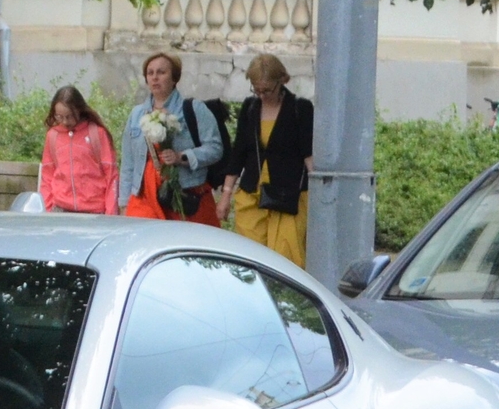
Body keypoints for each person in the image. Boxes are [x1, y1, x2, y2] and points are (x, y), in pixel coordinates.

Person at [217, 53, 315, 268]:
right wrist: (225, 196)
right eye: (256, 89)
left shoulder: (301, 108)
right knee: (250, 259)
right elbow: (239, 153)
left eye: (267, 90)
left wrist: (319, 195)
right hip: (252, 191)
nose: (261, 95)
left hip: (288, 196)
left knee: (285, 259)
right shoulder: (250, 107)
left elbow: (308, 153)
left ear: (282, 81)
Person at [117, 51, 222, 225]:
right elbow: (128, 164)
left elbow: (215, 148)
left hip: (184, 194)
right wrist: (123, 203)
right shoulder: (136, 114)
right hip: (144, 196)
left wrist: (182, 157)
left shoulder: (194, 109)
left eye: (161, 72)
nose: (155, 78)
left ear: (174, 78)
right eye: (150, 73)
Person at [37, 86, 117, 214]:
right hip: (60, 210)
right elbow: (47, 177)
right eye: (59, 116)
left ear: (79, 110)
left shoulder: (97, 134)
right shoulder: (53, 136)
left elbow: (111, 175)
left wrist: (111, 213)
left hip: (94, 211)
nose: (65, 121)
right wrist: (46, 210)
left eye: (69, 116)